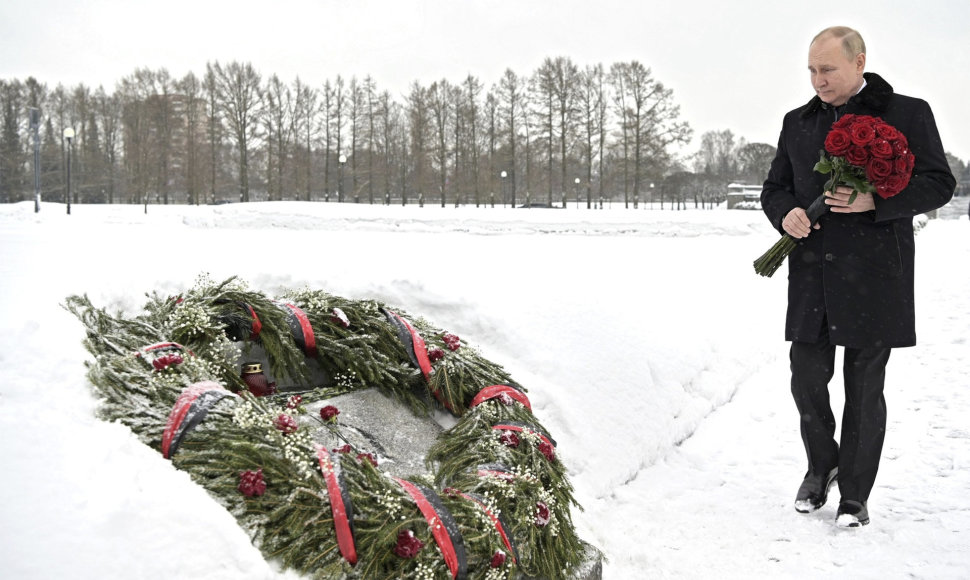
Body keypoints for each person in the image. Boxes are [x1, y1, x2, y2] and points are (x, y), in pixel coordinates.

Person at [760, 26, 955, 528]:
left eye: (827, 70)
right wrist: (786, 215)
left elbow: (939, 183)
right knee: (806, 378)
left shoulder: (908, 113)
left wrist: (878, 200)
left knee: (864, 387)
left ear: (859, 62)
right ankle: (821, 465)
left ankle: (855, 492)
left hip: (876, 273)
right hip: (811, 272)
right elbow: (775, 187)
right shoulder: (797, 122)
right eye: (811, 70)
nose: (817, 80)